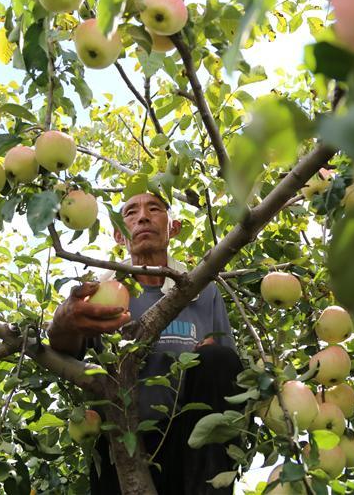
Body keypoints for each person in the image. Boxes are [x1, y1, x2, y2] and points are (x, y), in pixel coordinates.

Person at [48, 193, 244, 494]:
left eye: (155, 209)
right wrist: (62, 323)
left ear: (173, 228)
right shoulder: (100, 291)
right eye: (130, 213)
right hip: (121, 437)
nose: (143, 217)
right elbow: (64, 350)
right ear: (118, 235)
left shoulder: (203, 291)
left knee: (219, 359)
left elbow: (225, 375)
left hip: (188, 443)